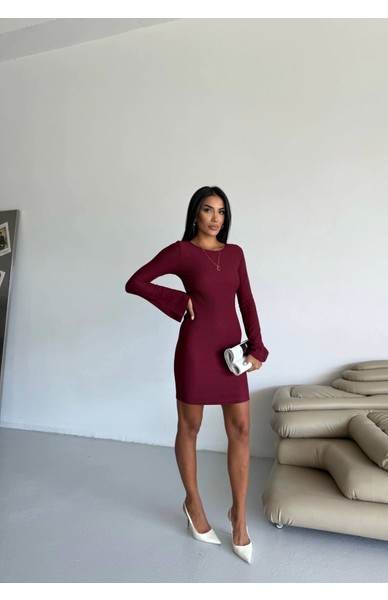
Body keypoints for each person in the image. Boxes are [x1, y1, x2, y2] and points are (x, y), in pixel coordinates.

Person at [125, 186, 268, 563]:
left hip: (231, 355)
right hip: (194, 352)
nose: (215, 218)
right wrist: (179, 300)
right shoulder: (181, 252)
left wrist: (257, 347)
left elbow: (246, 301)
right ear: (195, 214)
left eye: (221, 211)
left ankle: (239, 516)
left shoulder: (235, 254)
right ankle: (193, 503)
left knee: (241, 429)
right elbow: (135, 282)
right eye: (208, 210)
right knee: (190, 427)